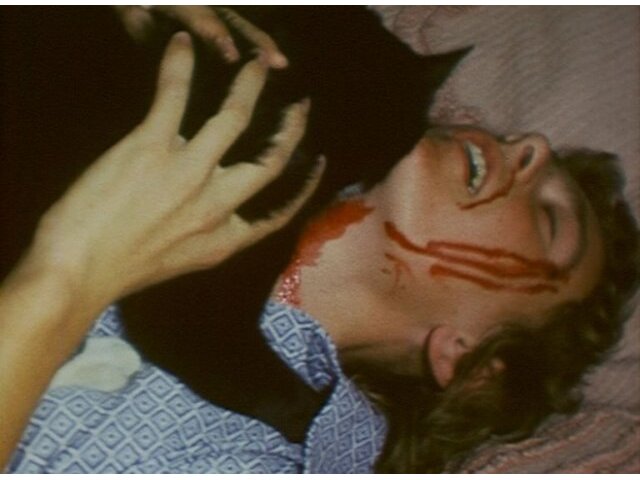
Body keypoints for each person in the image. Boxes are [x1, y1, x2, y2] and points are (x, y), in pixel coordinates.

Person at [2, 6, 639, 475]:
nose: (533, 145)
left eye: (552, 221)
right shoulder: (228, 89)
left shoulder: (247, 456)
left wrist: (67, 278)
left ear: (473, 364)